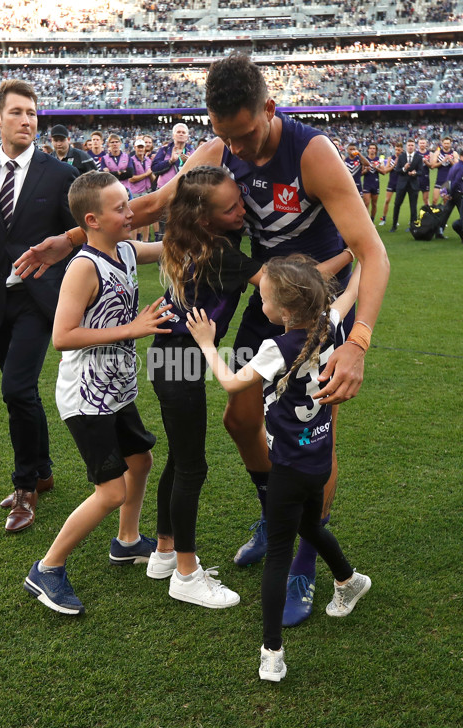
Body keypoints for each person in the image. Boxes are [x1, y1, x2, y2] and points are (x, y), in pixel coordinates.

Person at [13, 55, 389, 624]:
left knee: (310, 431)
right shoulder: (216, 153)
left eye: (242, 135)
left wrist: (357, 341)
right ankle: (274, 515)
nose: (233, 150)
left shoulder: (313, 155)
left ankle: (302, 564)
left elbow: (373, 252)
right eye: (222, 136)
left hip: (319, 304)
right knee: (239, 421)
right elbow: (145, 207)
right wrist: (68, 240)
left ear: (269, 109)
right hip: (268, 295)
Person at [146, 166, 356, 609]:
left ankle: (164, 553)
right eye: (232, 207)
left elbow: (154, 246)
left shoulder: (194, 238)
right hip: (181, 359)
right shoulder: (221, 252)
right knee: (190, 469)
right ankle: (184, 571)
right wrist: (351, 255)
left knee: (180, 461)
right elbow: (290, 285)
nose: (245, 208)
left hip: (167, 356)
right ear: (207, 219)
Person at [187, 254, 371, 682]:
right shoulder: (332, 322)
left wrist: (207, 344)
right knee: (310, 526)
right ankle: (348, 579)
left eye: (264, 297)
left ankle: (272, 652)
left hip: (286, 465)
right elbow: (351, 291)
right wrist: (364, 253)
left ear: (285, 312)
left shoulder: (275, 347)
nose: (260, 300)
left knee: (279, 556)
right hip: (319, 459)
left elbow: (232, 383)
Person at [23, 171, 174, 615]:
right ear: (93, 219)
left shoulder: (125, 250)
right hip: (86, 397)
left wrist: (209, 234)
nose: (132, 213)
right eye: (121, 208)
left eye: (128, 204)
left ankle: (127, 542)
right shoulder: (83, 267)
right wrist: (134, 328)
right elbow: (63, 336)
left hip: (116, 389)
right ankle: (47, 569)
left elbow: (168, 249)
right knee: (111, 491)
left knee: (141, 461)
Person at [0, 79, 78, 533]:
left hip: (38, 302)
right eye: (18, 112)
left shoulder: (61, 174)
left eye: (32, 112)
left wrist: (63, 281)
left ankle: (25, 486)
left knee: (15, 389)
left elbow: (79, 240)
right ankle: (42, 471)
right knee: (20, 392)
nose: (28, 120)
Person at [390, 139, 424, 233]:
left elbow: (421, 171)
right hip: (402, 184)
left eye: (412, 145)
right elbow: (397, 170)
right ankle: (394, 225)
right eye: (409, 145)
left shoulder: (418, 157)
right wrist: (404, 169)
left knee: (413, 206)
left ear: (414, 146)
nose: (410, 147)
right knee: (397, 204)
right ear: (406, 146)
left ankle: (412, 226)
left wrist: (415, 173)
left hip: (413, 184)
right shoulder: (401, 157)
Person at [151, 123, 194, 190]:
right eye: (178, 132)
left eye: (183, 132)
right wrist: (170, 161)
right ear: (173, 136)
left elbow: (198, 172)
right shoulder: (164, 150)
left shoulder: (192, 152)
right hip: (164, 190)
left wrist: (190, 163)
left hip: (185, 190)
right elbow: (154, 169)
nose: (181, 134)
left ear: (187, 137)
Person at [128, 137, 154, 241]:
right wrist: (146, 174)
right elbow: (132, 179)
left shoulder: (148, 160)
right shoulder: (131, 160)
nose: (140, 149)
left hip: (146, 190)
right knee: (134, 218)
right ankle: (134, 241)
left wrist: (150, 174)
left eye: (142, 147)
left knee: (146, 219)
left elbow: (152, 177)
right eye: (138, 147)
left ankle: (145, 241)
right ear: (135, 148)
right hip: (135, 192)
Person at [379, 141, 403, 226]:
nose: (397, 151)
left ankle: (395, 220)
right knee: (387, 200)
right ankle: (383, 219)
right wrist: (394, 165)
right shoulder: (390, 158)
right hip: (391, 182)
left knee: (397, 203)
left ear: (402, 150)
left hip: (400, 183)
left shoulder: (404, 158)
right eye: (396, 149)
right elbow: (385, 170)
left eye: (399, 150)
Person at [431, 136, 459, 205]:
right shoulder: (438, 153)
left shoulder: (454, 153)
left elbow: (458, 167)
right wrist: (442, 161)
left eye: (448, 143)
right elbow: (433, 166)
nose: (446, 145)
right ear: (442, 143)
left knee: (446, 201)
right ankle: (434, 215)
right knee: (434, 200)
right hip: (439, 179)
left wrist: (450, 160)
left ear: (450, 144)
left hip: (449, 180)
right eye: (445, 143)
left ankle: (444, 215)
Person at [362, 143, 385, 222]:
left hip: (375, 184)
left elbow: (384, 172)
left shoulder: (379, 160)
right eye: (370, 148)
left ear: (376, 150)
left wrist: (376, 168)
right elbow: (360, 173)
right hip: (367, 183)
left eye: (374, 148)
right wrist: (365, 170)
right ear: (368, 150)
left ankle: (372, 220)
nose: (372, 150)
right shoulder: (364, 160)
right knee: (366, 203)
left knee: (374, 204)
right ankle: (366, 221)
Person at [417, 138, 432, 208]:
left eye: (423, 143)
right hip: (416, 178)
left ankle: (429, 215)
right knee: (414, 199)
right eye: (421, 143)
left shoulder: (430, 154)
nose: (422, 144)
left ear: (426, 144)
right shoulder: (415, 154)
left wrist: (426, 162)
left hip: (425, 177)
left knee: (426, 199)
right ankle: (413, 217)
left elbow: (432, 166)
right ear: (418, 144)